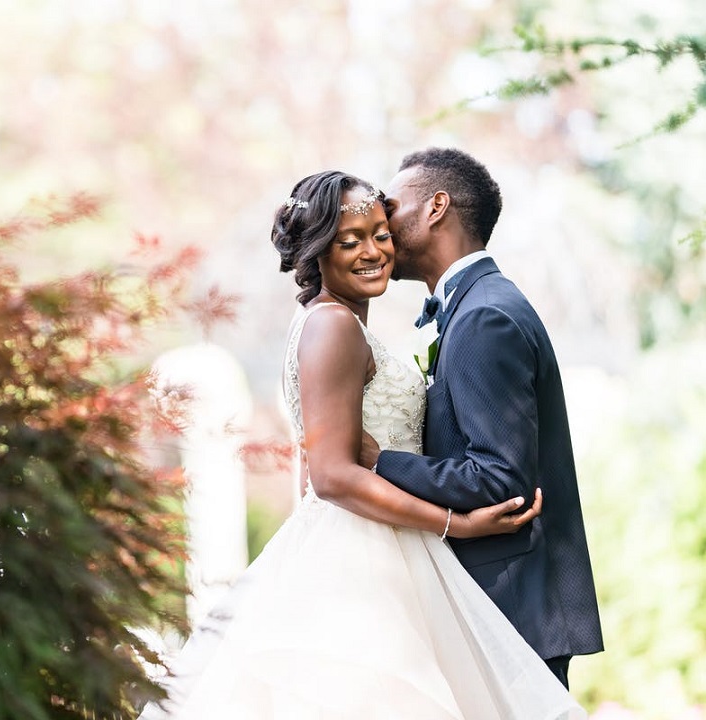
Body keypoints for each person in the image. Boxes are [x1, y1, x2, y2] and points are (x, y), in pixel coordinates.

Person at [138, 170, 584, 719]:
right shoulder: (333, 327)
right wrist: (456, 524)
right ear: (318, 252)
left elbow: (310, 472)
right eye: (350, 241)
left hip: (387, 545)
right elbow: (329, 476)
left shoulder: (336, 324)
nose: (373, 251)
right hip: (364, 558)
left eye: (380, 233)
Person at [361, 147, 605, 688]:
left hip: (513, 605)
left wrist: (383, 463)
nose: (380, 225)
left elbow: (499, 478)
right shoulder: (478, 306)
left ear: (436, 208)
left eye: (392, 209)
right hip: (504, 601)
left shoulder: (483, 317)